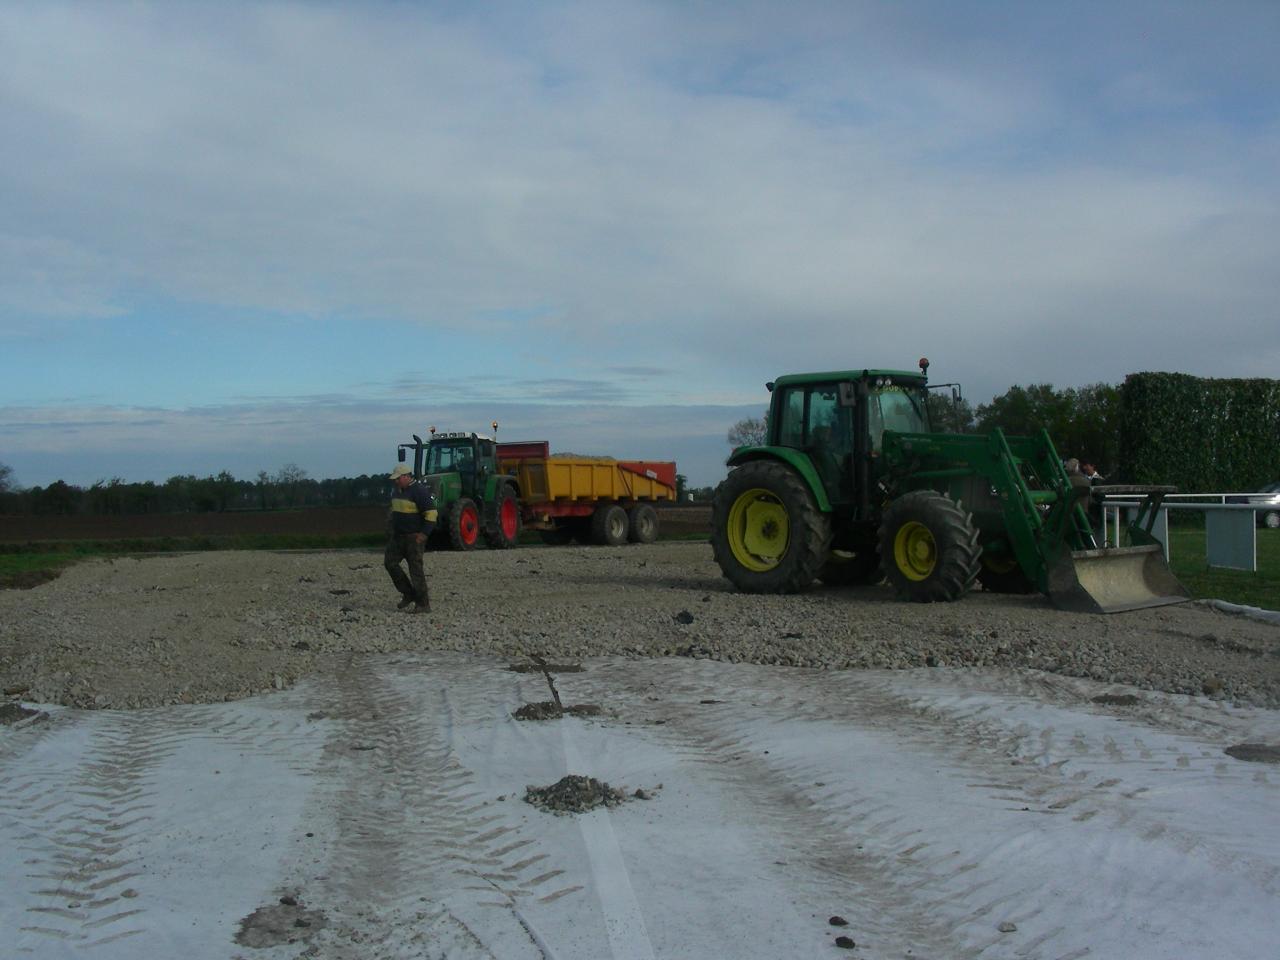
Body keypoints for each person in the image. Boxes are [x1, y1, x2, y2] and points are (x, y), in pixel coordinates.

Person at [385, 464, 437, 613]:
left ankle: (423, 604)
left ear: (407, 476)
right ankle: (408, 593)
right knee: (390, 563)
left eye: (398, 479)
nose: (396, 482)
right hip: (398, 537)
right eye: (395, 479)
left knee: (416, 571)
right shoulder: (396, 492)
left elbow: (432, 514)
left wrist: (424, 534)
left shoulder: (419, 491)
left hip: (414, 538)